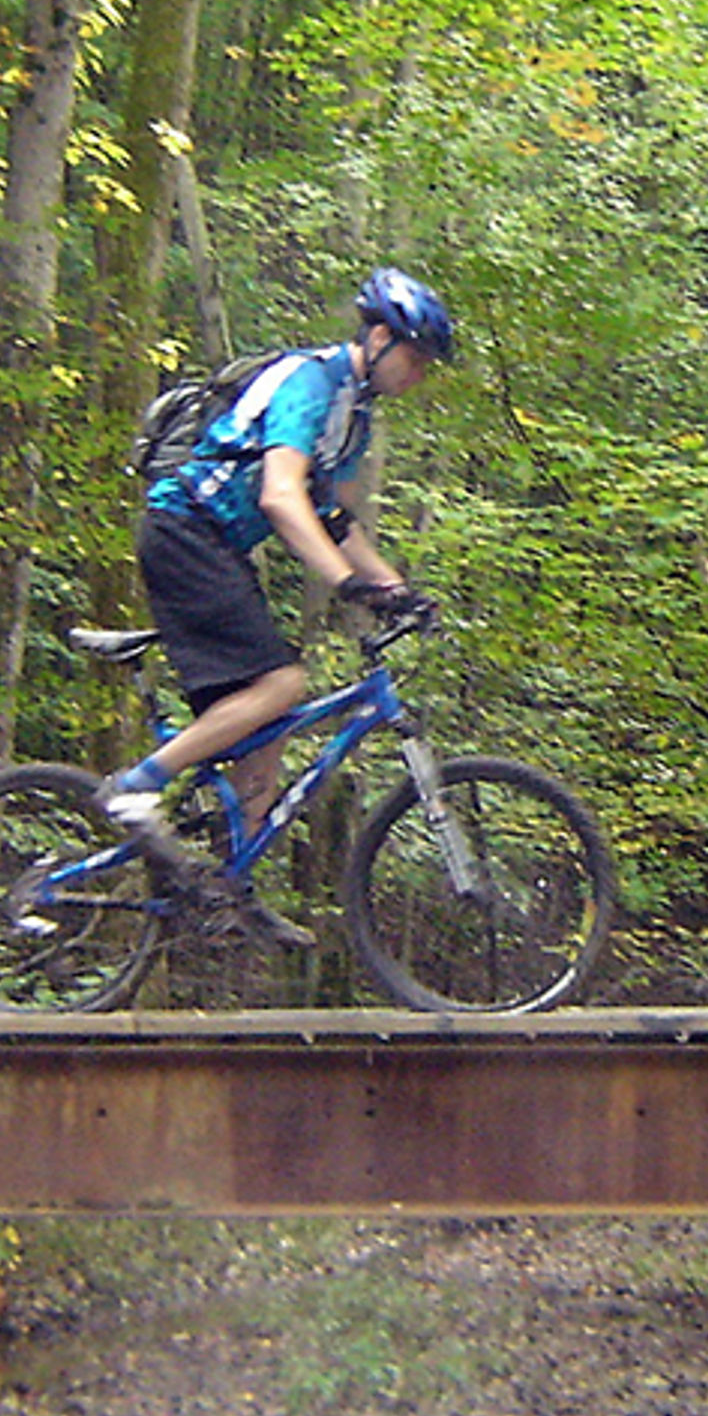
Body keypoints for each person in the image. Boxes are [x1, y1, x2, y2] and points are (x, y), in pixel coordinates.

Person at [99, 269, 454, 945]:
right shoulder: (312, 383)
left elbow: (334, 517)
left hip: (217, 545)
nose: (419, 373)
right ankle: (133, 788)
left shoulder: (354, 413)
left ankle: (231, 886)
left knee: (271, 726)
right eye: (414, 356)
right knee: (284, 681)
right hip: (185, 529)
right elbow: (280, 497)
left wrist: (396, 589)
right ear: (378, 338)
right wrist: (346, 583)